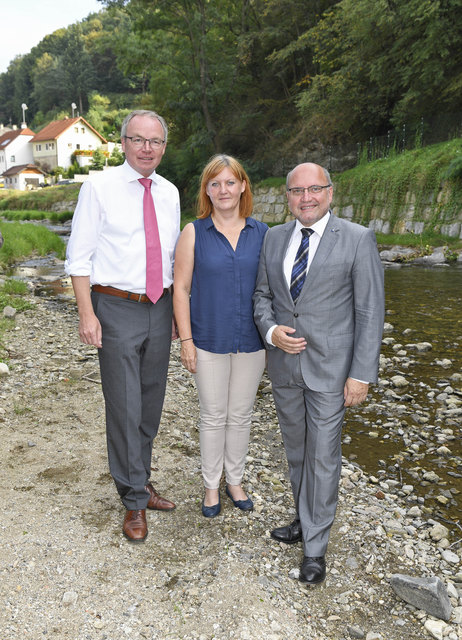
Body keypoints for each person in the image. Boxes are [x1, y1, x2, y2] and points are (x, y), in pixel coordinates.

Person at [253, 162, 384, 584]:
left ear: (330, 192)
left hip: (332, 370)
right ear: (287, 196)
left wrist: (361, 373)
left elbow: (369, 311)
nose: (305, 198)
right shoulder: (273, 238)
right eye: (296, 191)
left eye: (314, 189)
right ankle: (303, 518)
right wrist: (271, 331)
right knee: (296, 451)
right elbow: (262, 295)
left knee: (323, 456)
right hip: (285, 366)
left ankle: (315, 548)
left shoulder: (358, 238)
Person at [65, 109, 180, 542]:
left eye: (155, 141)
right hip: (113, 307)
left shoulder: (169, 192)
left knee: (150, 402)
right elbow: (78, 256)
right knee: (125, 404)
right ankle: (133, 500)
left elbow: (170, 257)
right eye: (138, 140)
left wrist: (174, 314)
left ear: (164, 147)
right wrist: (86, 313)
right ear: (124, 143)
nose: (147, 148)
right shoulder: (98, 186)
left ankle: (140, 479)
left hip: (160, 306)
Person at [173, 154, 268, 517]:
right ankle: (211, 487)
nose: (223, 189)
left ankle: (235, 481)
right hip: (207, 339)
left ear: (243, 186)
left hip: (252, 342)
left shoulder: (263, 233)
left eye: (230, 182)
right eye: (215, 183)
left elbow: (272, 289)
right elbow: (180, 289)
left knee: (241, 415)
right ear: (207, 191)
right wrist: (186, 341)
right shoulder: (193, 232)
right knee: (213, 415)